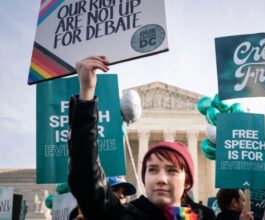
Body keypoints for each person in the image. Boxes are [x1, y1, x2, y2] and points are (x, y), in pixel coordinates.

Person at [67, 56, 199, 219]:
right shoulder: (123, 215)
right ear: (144, 178)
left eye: (172, 170)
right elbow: (85, 175)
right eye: (152, 170)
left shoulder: (203, 216)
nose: (161, 179)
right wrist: (86, 92)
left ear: (187, 181)